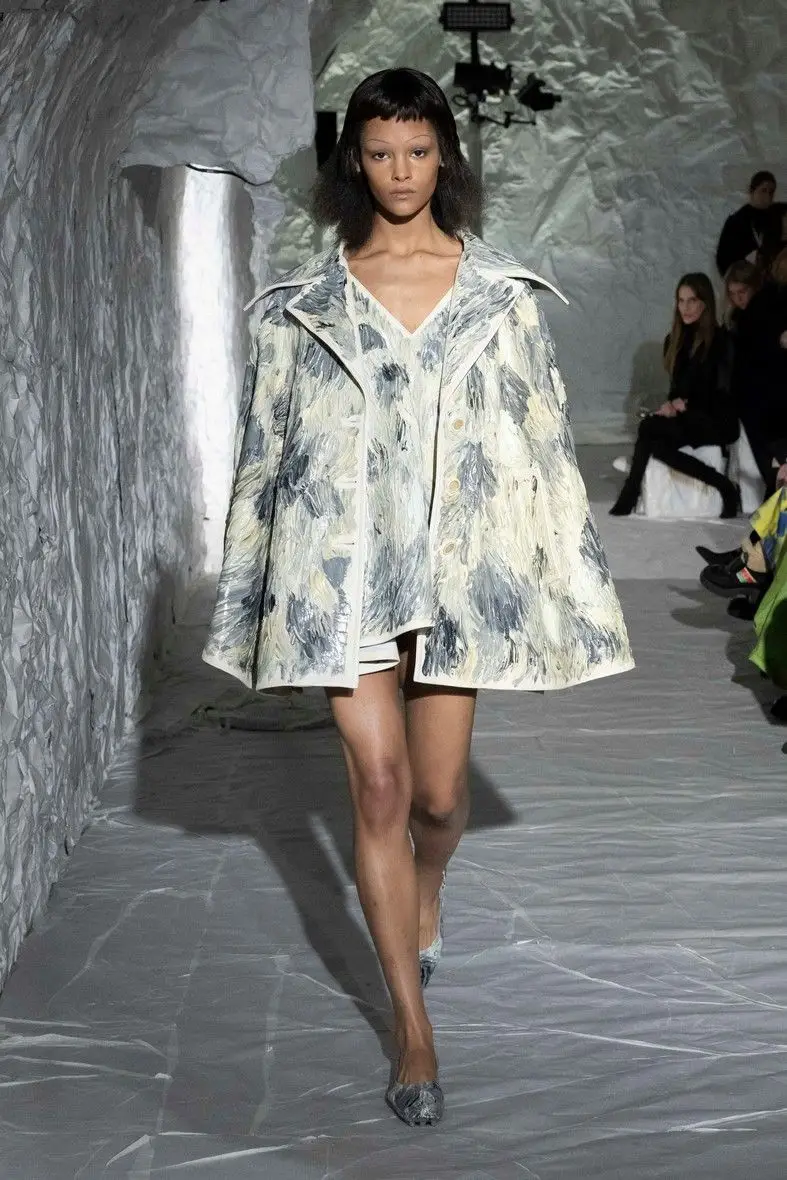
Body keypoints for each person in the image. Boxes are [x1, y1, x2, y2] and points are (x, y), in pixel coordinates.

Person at [202, 68, 633, 1127]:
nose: (400, 171)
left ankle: (427, 888)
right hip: (341, 577)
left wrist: (566, 586)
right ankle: (412, 1032)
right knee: (382, 790)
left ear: (446, 157)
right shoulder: (303, 309)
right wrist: (252, 599)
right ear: (354, 161)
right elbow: (264, 460)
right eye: (380, 152)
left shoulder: (502, 301)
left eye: (418, 151)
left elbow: (540, 455)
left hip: (453, 583)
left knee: (438, 802)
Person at [610, 274, 739, 517]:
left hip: (716, 418)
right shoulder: (675, 341)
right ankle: (723, 485)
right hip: (689, 417)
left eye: (692, 300)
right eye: (681, 301)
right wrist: (671, 405)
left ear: (705, 303)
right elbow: (678, 389)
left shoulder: (721, 341)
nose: (685, 307)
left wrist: (684, 405)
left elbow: (723, 392)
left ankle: (631, 492)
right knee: (653, 437)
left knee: (649, 430)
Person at [733, 246, 787, 495]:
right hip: (763, 397)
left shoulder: (760, 307)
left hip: (759, 398)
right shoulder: (764, 307)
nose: (737, 298)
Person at [716, 170, 777, 277]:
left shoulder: (777, 218)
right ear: (751, 191)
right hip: (745, 279)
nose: (768, 196)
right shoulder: (736, 221)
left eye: (771, 192)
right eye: (763, 190)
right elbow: (724, 260)